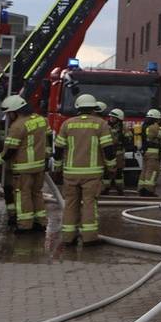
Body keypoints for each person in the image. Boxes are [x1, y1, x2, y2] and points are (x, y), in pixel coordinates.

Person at [54, 93, 115, 246]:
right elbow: (108, 148)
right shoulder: (100, 124)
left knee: (70, 204)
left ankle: (68, 238)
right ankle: (89, 238)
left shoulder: (67, 124)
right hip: (92, 173)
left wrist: (57, 166)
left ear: (78, 108)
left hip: (70, 172)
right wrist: (111, 166)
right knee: (89, 204)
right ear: (94, 108)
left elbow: (59, 148)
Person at [0, 95, 50, 233]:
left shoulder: (17, 126)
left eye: (8, 114)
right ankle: (40, 223)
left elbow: (9, 152)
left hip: (23, 168)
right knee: (37, 194)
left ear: (14, 111)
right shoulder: (41, 120)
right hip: (39, 166)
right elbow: (48, 138)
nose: (8, 117)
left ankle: (25, 226)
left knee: (23, 196)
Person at [138, 108, 161, 197]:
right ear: (156, 118)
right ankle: (149, 191)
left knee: (144, 171)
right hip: (153, 153)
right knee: (152, 172)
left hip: (145, 152)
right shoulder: (154, 126)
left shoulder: (144, 125)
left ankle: (141, 189)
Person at [103, 108, 127, 196]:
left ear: (119, 119)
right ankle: (105, 189)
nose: (111, 119)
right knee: (107, 172)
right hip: (108, 151)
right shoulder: (105, 126)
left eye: (113, 118)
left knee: (119, 172)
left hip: (119, 152)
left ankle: (119, 189)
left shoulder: (123, 128)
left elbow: (129, 137)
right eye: (110, 117)